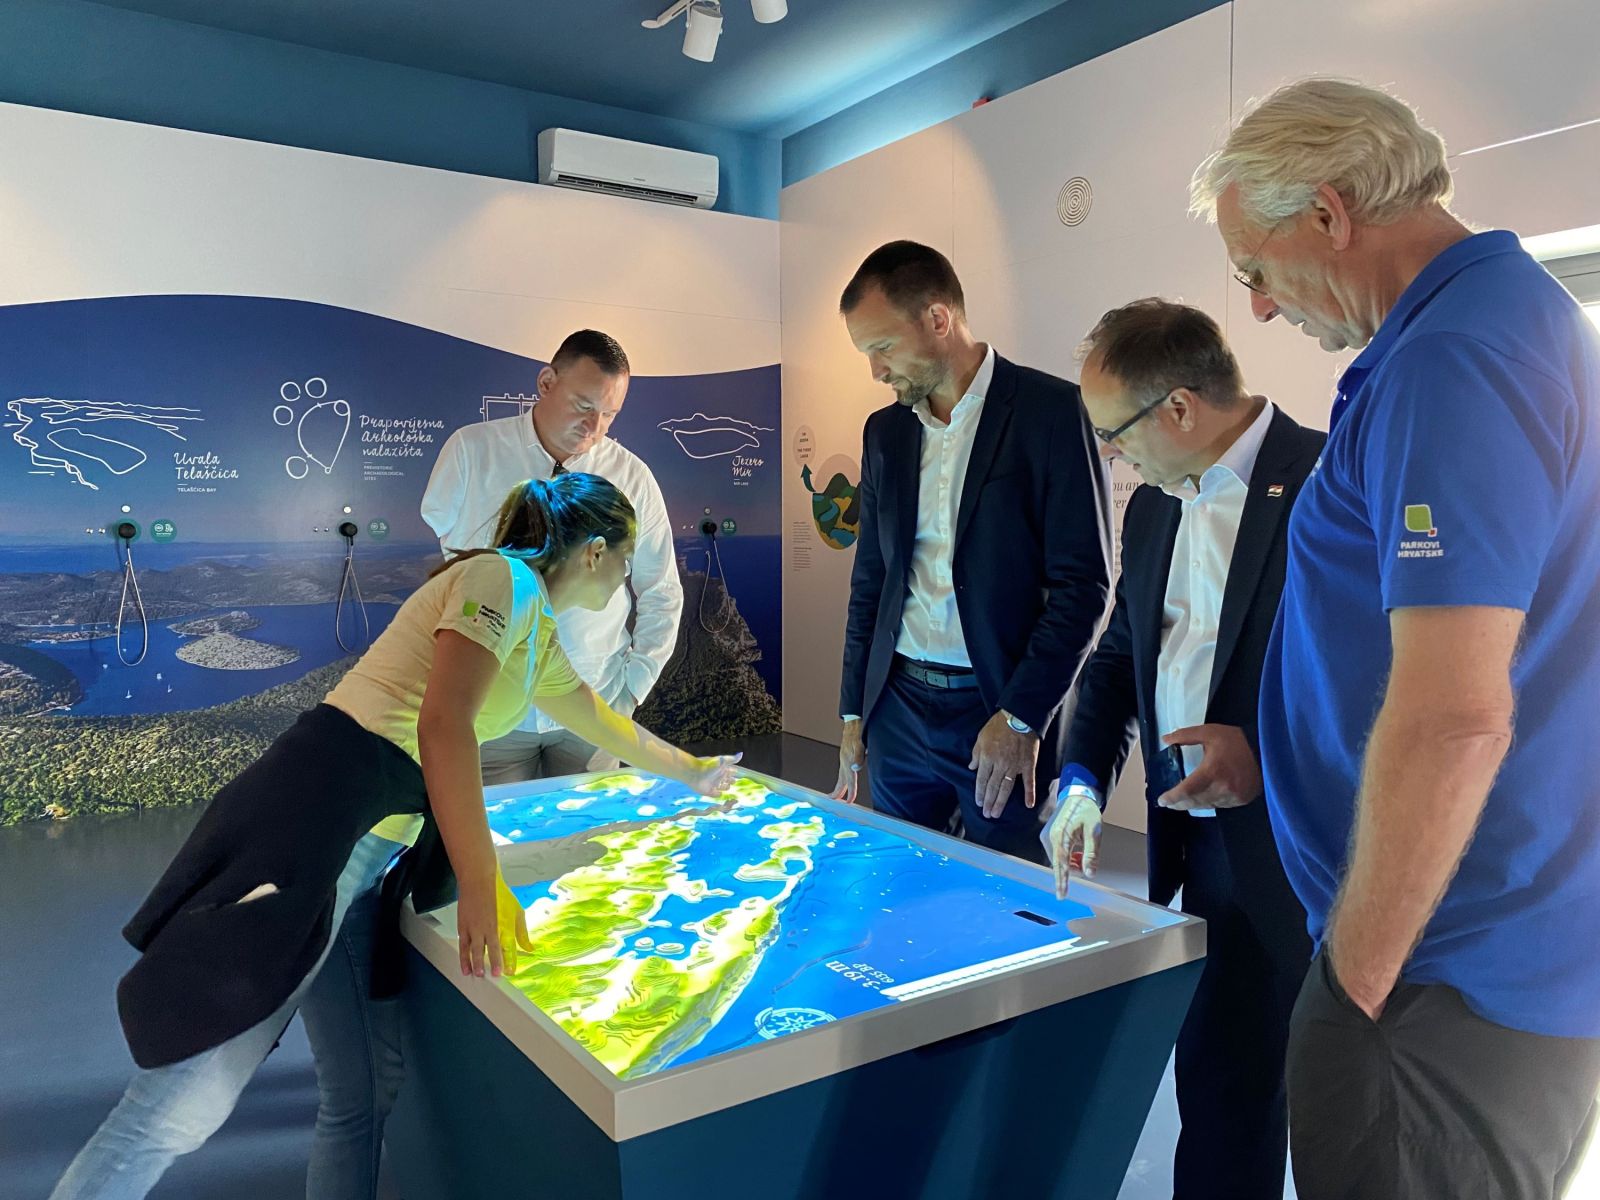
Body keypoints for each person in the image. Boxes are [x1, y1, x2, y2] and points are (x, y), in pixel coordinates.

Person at [51, 474, 738, 1200]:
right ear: (595, 551)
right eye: (627, 561)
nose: (627, 579)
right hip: (312, 827)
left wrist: (695, 771)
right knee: (174, 1112)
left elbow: (600, 720)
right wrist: (480, 879)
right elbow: (445, 725)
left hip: (370, 854)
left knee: (365, 1085)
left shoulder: (536, 629)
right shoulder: (500, 579)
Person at [1190, 77, 1600, 1199]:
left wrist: (1355, 983)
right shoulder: (1476, 326)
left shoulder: (1453, 357)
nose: (1258, 308)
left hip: (1442, 972)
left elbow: (1456, 716)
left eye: (1254, 268)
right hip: (1461, 950)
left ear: (1329, 214)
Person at [1045, 299, 1319, 1199]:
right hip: (1199, 848)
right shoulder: (1156, 509)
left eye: (1113, 434)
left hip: (1311, 863)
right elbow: (1119, 657)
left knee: (1338, 1110)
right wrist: (1080, 780)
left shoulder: (1328, 481)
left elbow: (1394, 684)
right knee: (1219, 1087)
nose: (1110, 456)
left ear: (1178, 408)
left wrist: (1268, 760)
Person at [832, 240, 1109, 862]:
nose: (876, 371)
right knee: (901, 881)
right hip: (897, 710)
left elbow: (1085, 586)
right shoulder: (885, 431)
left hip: (995, 707)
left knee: (1006, 896)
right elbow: (871, 579)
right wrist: (854, 713)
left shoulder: (1052, 412)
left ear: (938, 318)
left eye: (883, 347)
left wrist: (1020, 716)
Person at [422, 328, 682, 784]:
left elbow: (661, 590)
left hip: (593, 701)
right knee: (494, 827)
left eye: (609, 414)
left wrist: (631, 691)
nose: (594, 427)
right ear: (546, 383)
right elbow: (453, 569)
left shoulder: (632, 477)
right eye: (584, 406)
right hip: (496, 704)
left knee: (588, 827)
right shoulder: (471, 452)